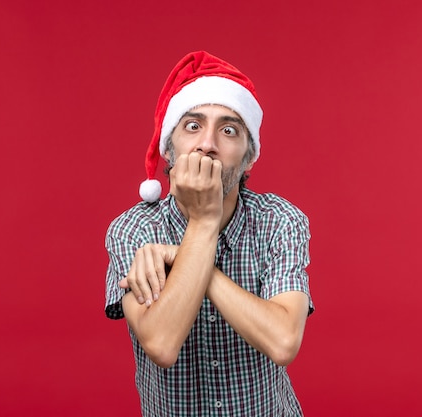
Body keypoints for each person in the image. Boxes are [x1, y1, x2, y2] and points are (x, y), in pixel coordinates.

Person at [105, 50, 314, 416]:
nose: (208, 144)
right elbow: (161, 343)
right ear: (170, 148)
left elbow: (283, 342)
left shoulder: (280, 220)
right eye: (193, 126)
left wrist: (188, 255)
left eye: (229, 130)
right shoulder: (134, 229)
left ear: (249, 157)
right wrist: (204, 225)